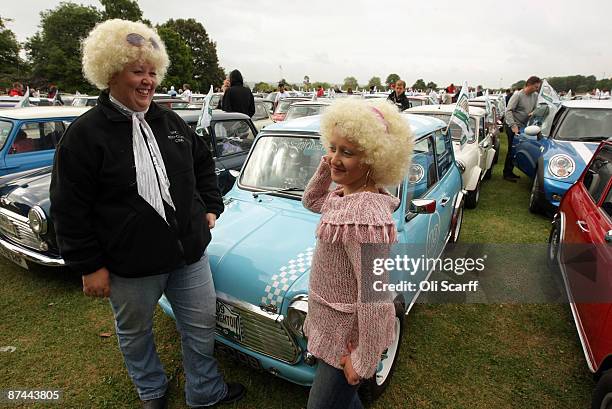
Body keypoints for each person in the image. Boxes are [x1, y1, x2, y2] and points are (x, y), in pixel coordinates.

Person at [49, 19, 245, 409]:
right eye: (138, 71)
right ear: (110, 72)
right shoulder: (85, 135)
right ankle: (152, 390)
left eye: (152, 72)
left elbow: (204, 163)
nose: (148, 81)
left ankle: (204, 390)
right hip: (129, 266)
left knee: (201, 326)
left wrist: (210, 206)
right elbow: (69, 206)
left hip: (189, 257)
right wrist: (89, 265)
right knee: (135, 333)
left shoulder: (171, 122)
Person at [302, 98, 413, 409]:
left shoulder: (364, 217)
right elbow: (311, 201)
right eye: (332, 147)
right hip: (331, 324)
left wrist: (364, 361)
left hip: (346, 340)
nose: (335, 158)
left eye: (347, 152)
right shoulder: (342, 194)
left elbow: (375, 297)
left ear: (373, 161)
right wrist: (330, 164)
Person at [503, 76, 542, 182]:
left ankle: (511, 171)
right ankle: (506, 173)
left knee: (517, 149)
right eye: (535, 87)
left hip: (524, 127)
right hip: (513, 126)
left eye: (537, 87)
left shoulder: (535, 95)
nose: (536, 89)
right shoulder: (518, 95)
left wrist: (533, 112)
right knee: (512, 150)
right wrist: (513, 126)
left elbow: (535, 108)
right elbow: (508, 111)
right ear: (529, 85)